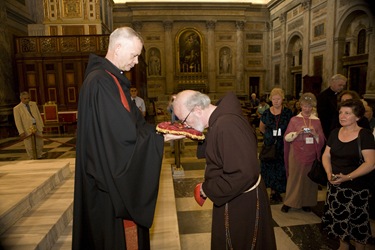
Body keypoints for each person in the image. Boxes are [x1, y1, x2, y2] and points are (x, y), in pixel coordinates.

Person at [72, 26, 182, 250]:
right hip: (108, 187)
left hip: (108, 177)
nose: (137, 61)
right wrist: (158, 140)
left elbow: (134, 125)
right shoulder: (101, 83)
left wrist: (160, 132)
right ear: (118, 47)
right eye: (134, 55)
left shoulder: (111, 80)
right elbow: (121, 140)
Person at [172, 90, 276, 250]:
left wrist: (207, 189)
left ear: (198, 109)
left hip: (241, 201)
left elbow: (244, 173)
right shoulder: (220, 119)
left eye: (185, 120)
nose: (185, 125)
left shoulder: (227, 124)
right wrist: (194, 133)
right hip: (233, 195)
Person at [321, 99, 375, 250]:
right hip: (335, 188)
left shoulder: (364, 135)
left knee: (357, 226)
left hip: (356, 189)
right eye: (340, 112)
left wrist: (347, 177)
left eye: (347, 113)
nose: (342, 116)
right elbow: (326, 155)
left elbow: (370, 163)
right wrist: (328, 172)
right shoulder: (334, 132)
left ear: (357, 117)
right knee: (339, 225)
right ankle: (342, 247)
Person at [281, 93, 325, 213]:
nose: (307, 109)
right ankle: (289, 202)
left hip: (311, 155)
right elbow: (286, 137)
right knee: (294, 178)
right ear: (301, 106)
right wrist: (297, 133)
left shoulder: (317, 121)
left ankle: (307, 202)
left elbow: (321, 139)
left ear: (313, 107)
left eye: (309, 106)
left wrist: (315, 134)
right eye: (304, 106)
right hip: (296, 154)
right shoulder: (294, 120)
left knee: (309, 180)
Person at [259, 87, 293, 203]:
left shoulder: (288, 113)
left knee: (281, 168)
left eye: (278, 99)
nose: (276, 101)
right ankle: (272, 192)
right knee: (269, 169)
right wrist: (269, 137)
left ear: (282, 99)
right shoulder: (267, 113)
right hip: (270, 146)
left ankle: (279, 191)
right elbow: (262, 128)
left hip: (283, 145)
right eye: (274, 99)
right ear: (271, 100)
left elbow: (292, 128)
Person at [13, 91, 44, 159]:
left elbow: (38, 115)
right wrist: (21, 132)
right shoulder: (17, 108)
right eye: (25, 98)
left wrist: (41, 125)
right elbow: (18, 121)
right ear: (21, 99)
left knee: (40, 143)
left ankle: (39, 156)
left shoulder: (33, 104)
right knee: (29, 145)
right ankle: (32, 157)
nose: (27, 100)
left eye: (28, 98)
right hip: (27, 128)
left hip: (37, 126)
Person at [317, 74, 347, 139]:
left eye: (343, 86)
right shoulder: (323, 96)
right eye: (340, 85)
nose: (342, 87)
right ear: (332, 83)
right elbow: (322, 115)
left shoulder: (343, 95)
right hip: (328, 127)